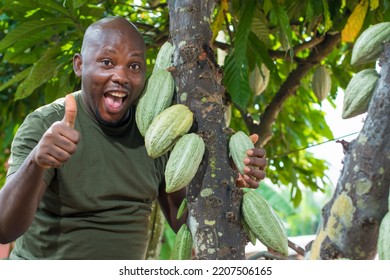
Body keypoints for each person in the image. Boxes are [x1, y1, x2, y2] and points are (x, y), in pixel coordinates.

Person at [0, 16, 267, 259]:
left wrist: (227, 181)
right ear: (79, 65)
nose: (121, 76)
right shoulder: (46, 124)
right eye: (107, 62)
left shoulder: (158, 131)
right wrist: (37, 161)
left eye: (134, 66)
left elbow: (183, 218)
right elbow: (3, 228)